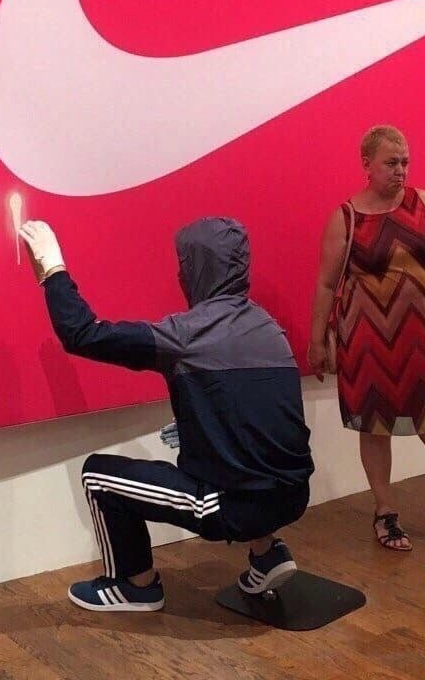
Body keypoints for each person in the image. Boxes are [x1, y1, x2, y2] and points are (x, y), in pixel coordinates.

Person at [20, 216, 314, 611]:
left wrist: (52, 271)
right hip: (294, 495)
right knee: (251, 473)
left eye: (184, 264)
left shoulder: (187, 335)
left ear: (196, 269)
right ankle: (267, 555)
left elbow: (83, 334)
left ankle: (134, 585)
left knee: (98, 475)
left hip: (232, 507)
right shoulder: (268, 328)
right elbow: (262, 414)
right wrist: (200, 422)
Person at [308, 125, 425, 551]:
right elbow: (326, 284)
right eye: (391, 162)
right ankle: (385, 512)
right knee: (375, 429)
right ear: (367, 164)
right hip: (368, 344)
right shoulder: (346, 218)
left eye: (405, 161)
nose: (400, 170)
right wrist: (317, 342)